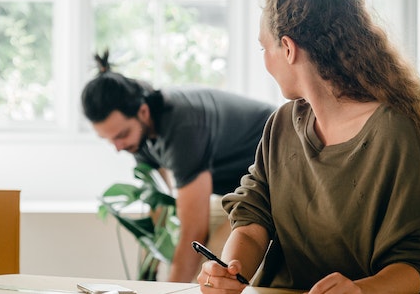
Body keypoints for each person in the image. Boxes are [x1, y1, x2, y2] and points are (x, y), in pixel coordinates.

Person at [197, 0, 420, 294]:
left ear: (288, 48)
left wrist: (360, 290)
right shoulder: (281, 124)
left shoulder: (393, 132)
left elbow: (412, 263)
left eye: (264, 49)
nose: (265, 62)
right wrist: (231, 271)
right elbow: (252, 221)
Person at [81, 50, 277, 283]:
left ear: (143, 112)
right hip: (234, 189)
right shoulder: (139, 134)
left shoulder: (182, 127)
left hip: (273, 179)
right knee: (197, 269)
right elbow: (162, 202)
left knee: (214, 271)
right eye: (110, 139)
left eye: (121, 135)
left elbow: (194, 231)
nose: (118, 147)